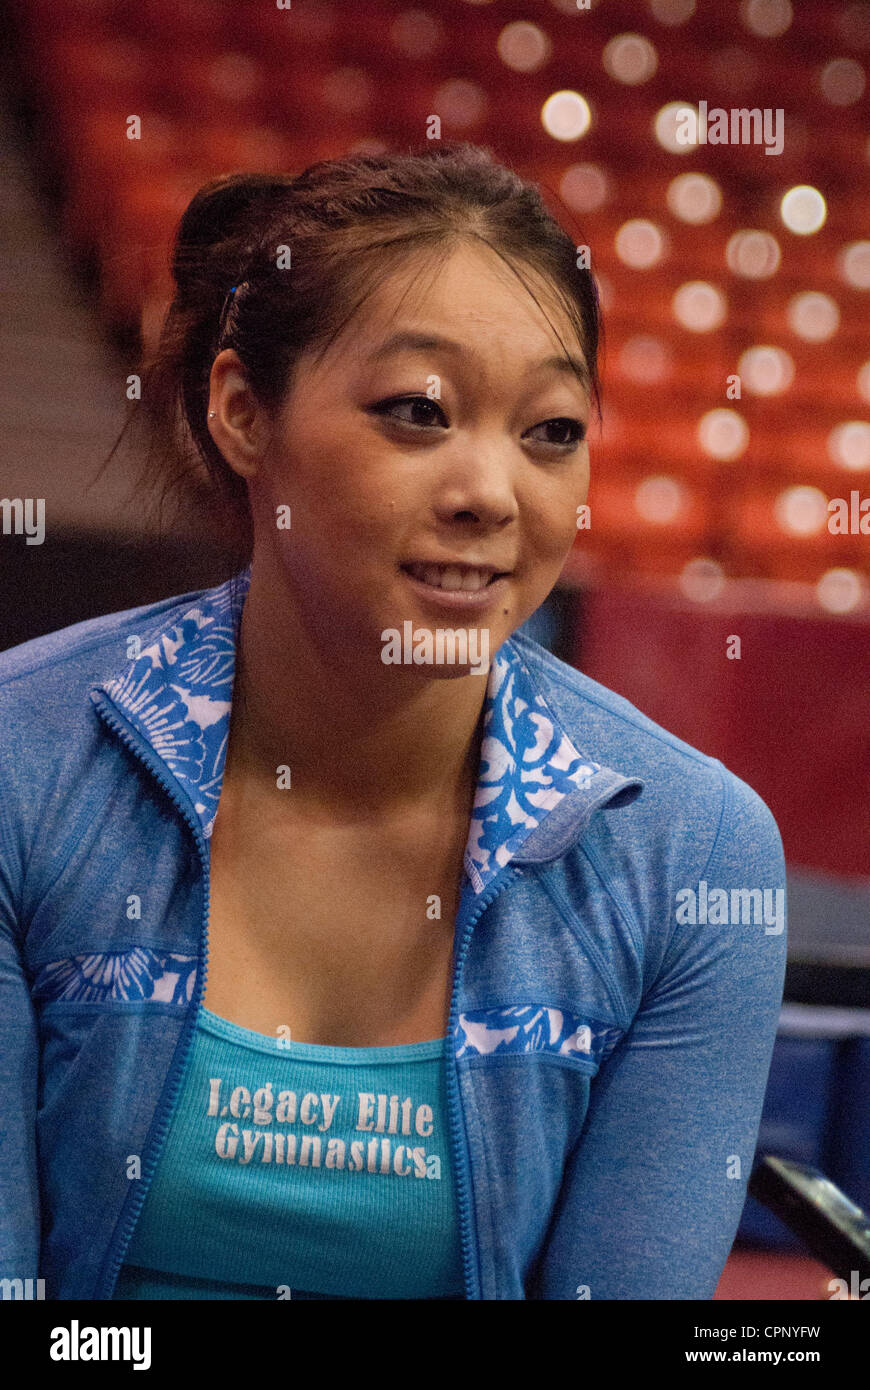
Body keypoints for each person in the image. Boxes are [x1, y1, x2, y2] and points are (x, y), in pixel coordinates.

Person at [0, 143, 787, 1300]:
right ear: (240, 414)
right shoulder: (26, 760)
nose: (491, 490)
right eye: (419, 411)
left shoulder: (696, 853)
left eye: (552, 430)